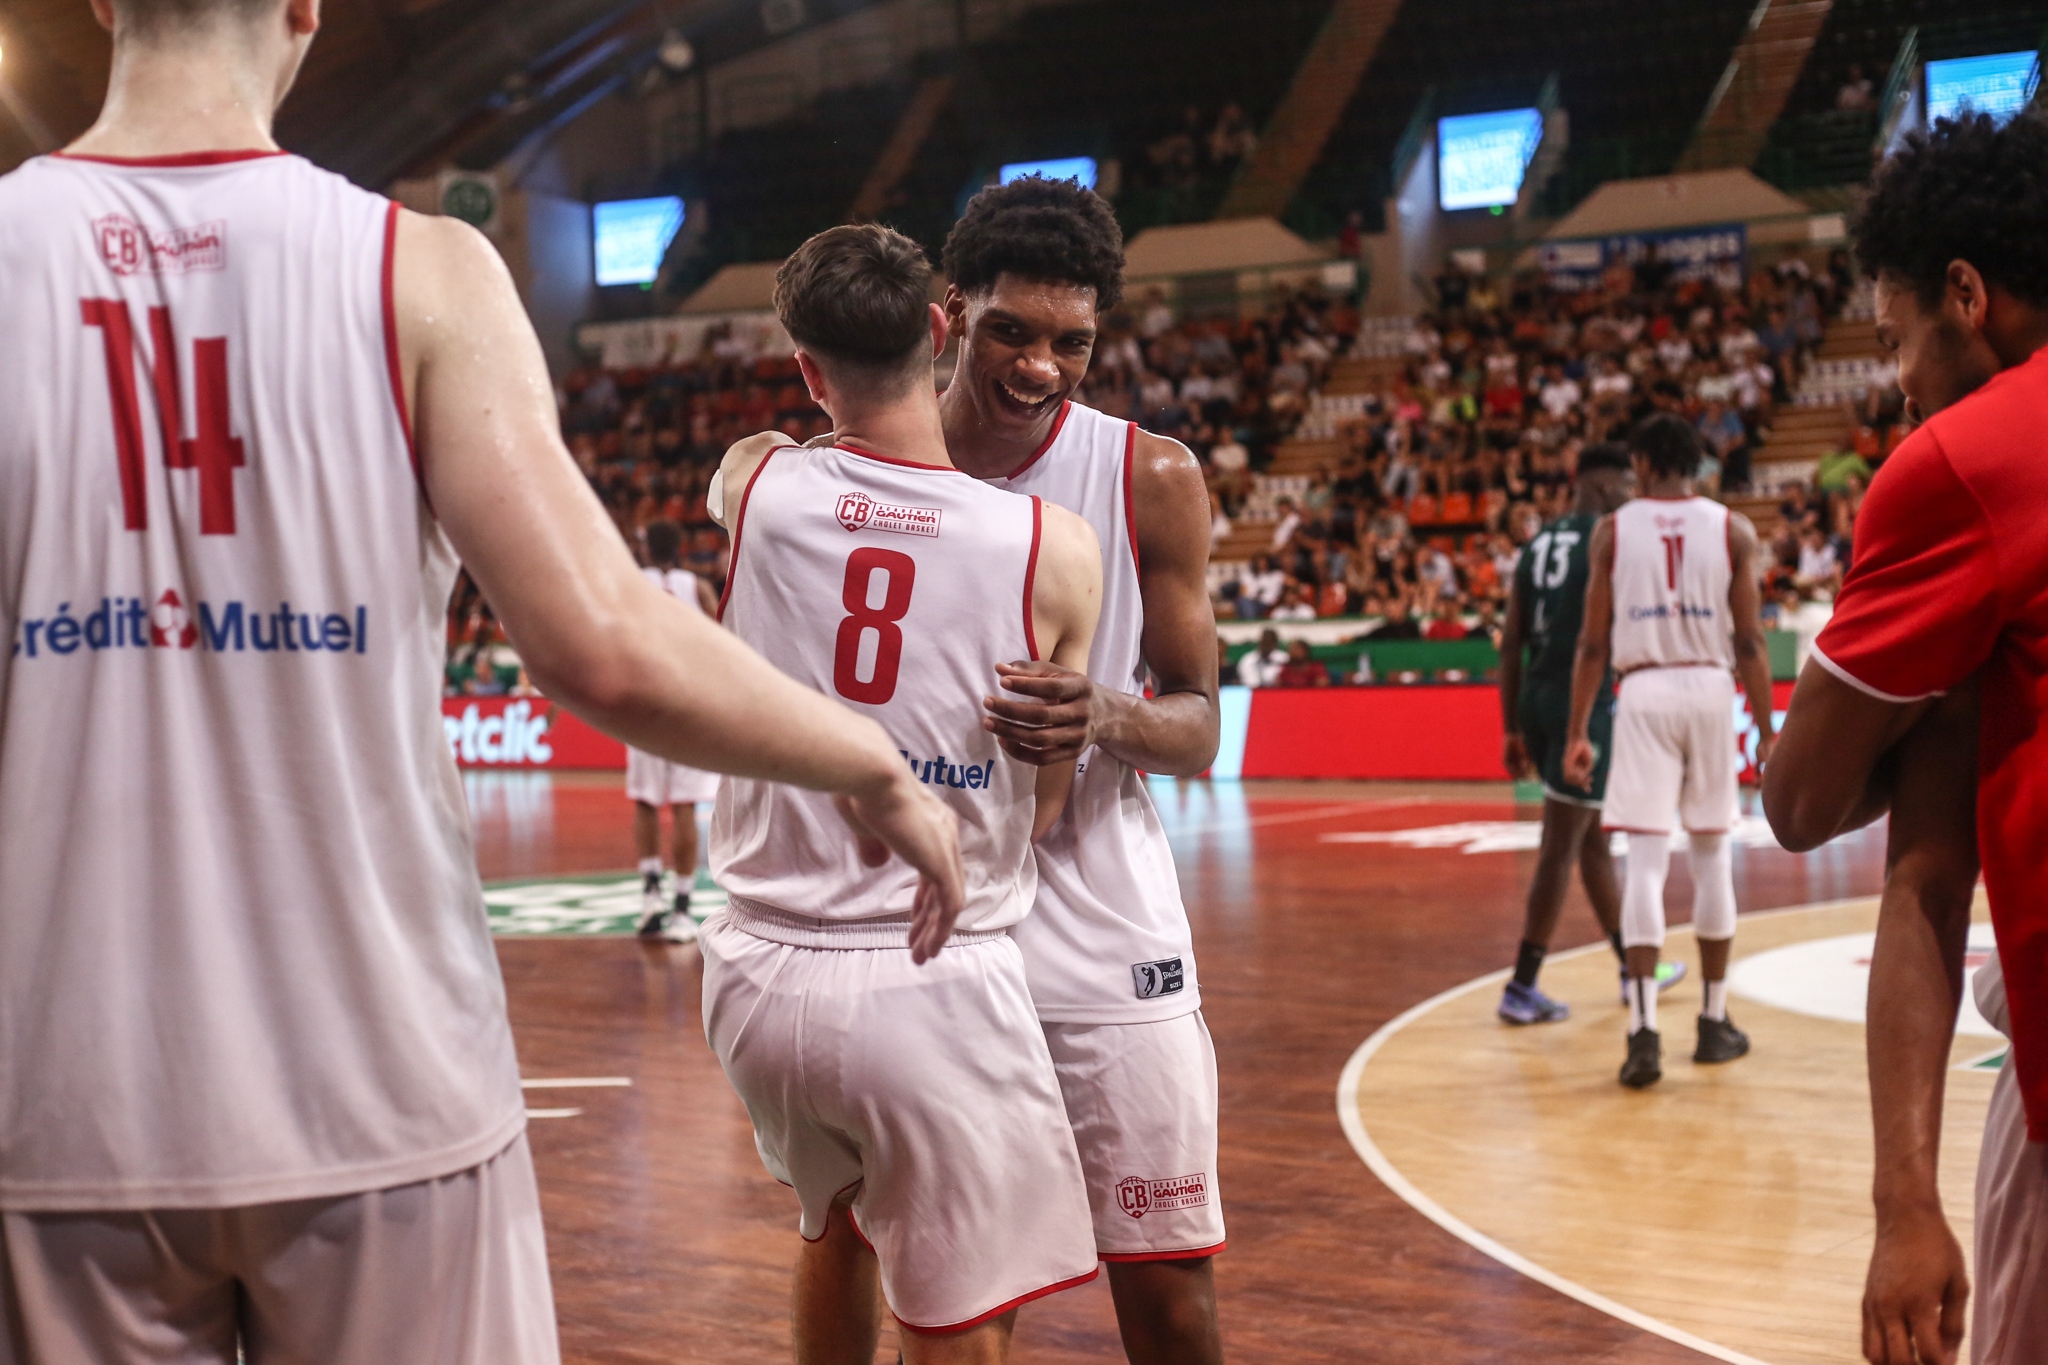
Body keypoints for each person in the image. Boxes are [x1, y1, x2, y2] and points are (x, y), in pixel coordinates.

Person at [0, 4, 966, 1361]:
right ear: (302, 8)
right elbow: (604, 644)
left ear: (101, 2)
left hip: (50, 1095)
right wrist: (868, 761)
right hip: (379, 1080)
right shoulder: (423, 269)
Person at [700, 224, 1104, 1361]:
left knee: (834, 1230)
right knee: (963, 1316)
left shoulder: (754, 477)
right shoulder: (1051, 546)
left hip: (754, 972)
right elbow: (1046, 803)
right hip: (930, 974)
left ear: (805, 370)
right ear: (944, 329)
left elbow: (781, 491)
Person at [1761, 110, 2048, 1365]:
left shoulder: (1967, 463)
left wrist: (1901, 1208)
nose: (1898, 381)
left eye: (1893, 343)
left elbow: (1798, 805)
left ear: (1965, 297)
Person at [941, 177, 1228, 1363]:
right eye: (1009, 330)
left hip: (1104, 916)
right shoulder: (860, 472)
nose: (1039, 368)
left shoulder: (1147, 476)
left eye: (1072, 342)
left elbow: (1202, 725)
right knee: (958, 1295)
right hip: (937, 916)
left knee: (1162, 1288)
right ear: (948, 311)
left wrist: (1104, 712)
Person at [1564, 413, 1776, 1088]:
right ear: (1694, 464)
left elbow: (1592, 643)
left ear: (1646, 463)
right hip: (1713, 689)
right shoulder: (1732, 528)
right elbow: (1750, 642)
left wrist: (1576, 732)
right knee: (1713, 859)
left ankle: (1644, 1033)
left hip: (1646, 691)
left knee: (1648, 865)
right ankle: (1714, 1022)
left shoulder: (1614, 530)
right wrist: (1768, 730)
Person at [1496, 443, 1686, 1023]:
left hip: (1535, 697)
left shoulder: (1537, 545)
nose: (1632, 497)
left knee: (1591, 838)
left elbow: (1511, 641)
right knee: (1561, 844)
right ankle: (1523, 985)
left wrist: (1511, 725)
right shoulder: (1612, 539)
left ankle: (1634, 968)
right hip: (1585, 702)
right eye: (1626, 487)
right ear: (1604, 491)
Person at [627, 519, 723, 941]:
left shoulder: (630, 580)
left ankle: (651, 895)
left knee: (646, 801)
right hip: (688, 703)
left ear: (648, 550)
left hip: (644, 701)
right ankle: (683, 912)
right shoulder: (696, 587)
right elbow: (723, 641)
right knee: (684, 806)